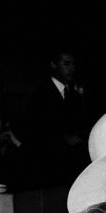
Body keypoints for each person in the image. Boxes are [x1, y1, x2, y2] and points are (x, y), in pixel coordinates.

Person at [25, 48, 91, 186]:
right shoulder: (39, 94)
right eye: (66, 64)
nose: (72, 68)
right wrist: (63, 138)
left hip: (73, 167)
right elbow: (34, 131)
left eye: (73, 64)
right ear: (54, 64)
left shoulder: (75, 93)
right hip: (49, 167)